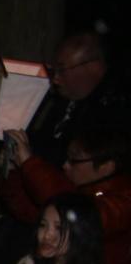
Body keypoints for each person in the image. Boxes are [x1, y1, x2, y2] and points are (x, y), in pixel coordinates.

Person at [1, 120, 131, 264]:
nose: (65, 165)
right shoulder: (77, 186)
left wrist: (30, 164)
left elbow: (82, 216)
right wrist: (16, 171)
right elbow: (27, 210)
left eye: (74, 161)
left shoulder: (124, 199)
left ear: (106, 167)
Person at [25, 31, 127, 168]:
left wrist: (29, 162)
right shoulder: (61, 99)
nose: (55, 78)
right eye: (54, 70)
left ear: (93, 67)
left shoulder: (113, 114)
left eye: (62, 70)